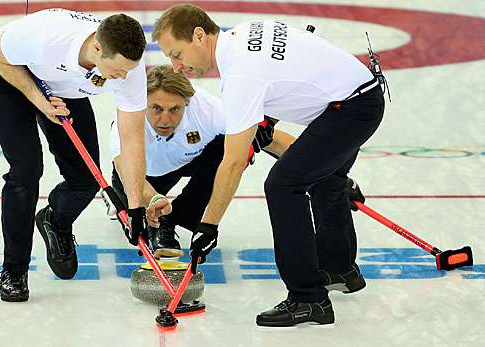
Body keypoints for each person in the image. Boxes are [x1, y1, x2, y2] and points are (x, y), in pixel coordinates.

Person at [152, 4, 385, 326]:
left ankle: (308, 298)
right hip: (355, 98)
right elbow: (284, 76)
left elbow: (232, 163)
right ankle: (338, 268)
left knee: (283, 185)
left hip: (349, 109)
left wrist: (208, 227)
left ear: (199, 35)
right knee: (325, 179)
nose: (176, 66)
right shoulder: (243, 34)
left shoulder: (239, 74)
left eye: (177, 53)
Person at [0, 8, 154, 302]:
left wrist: (135, 207)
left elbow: (132, 137)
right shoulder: (47, 36)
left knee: (86, 180)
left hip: (66, 90)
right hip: (9, 79)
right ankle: (14, 270)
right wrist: (38, 99)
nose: (124, 77)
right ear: (97, 48)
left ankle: (55, 221)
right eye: (118, 71)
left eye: (128, 70)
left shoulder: (130, 69)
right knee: (26, 171)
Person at [108, 65, 295, 258]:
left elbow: (274, 139)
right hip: (140, 174)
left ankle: (176, 216)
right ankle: (155, 217)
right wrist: (155, 200)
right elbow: (126, 169)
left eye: (175, 109)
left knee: (233, 145)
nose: (165, 119)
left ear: (187, 103)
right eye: (156, 108)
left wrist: (314, 162)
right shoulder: (129, 116)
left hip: (188, 160)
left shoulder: (206, 109)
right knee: (140, 215)